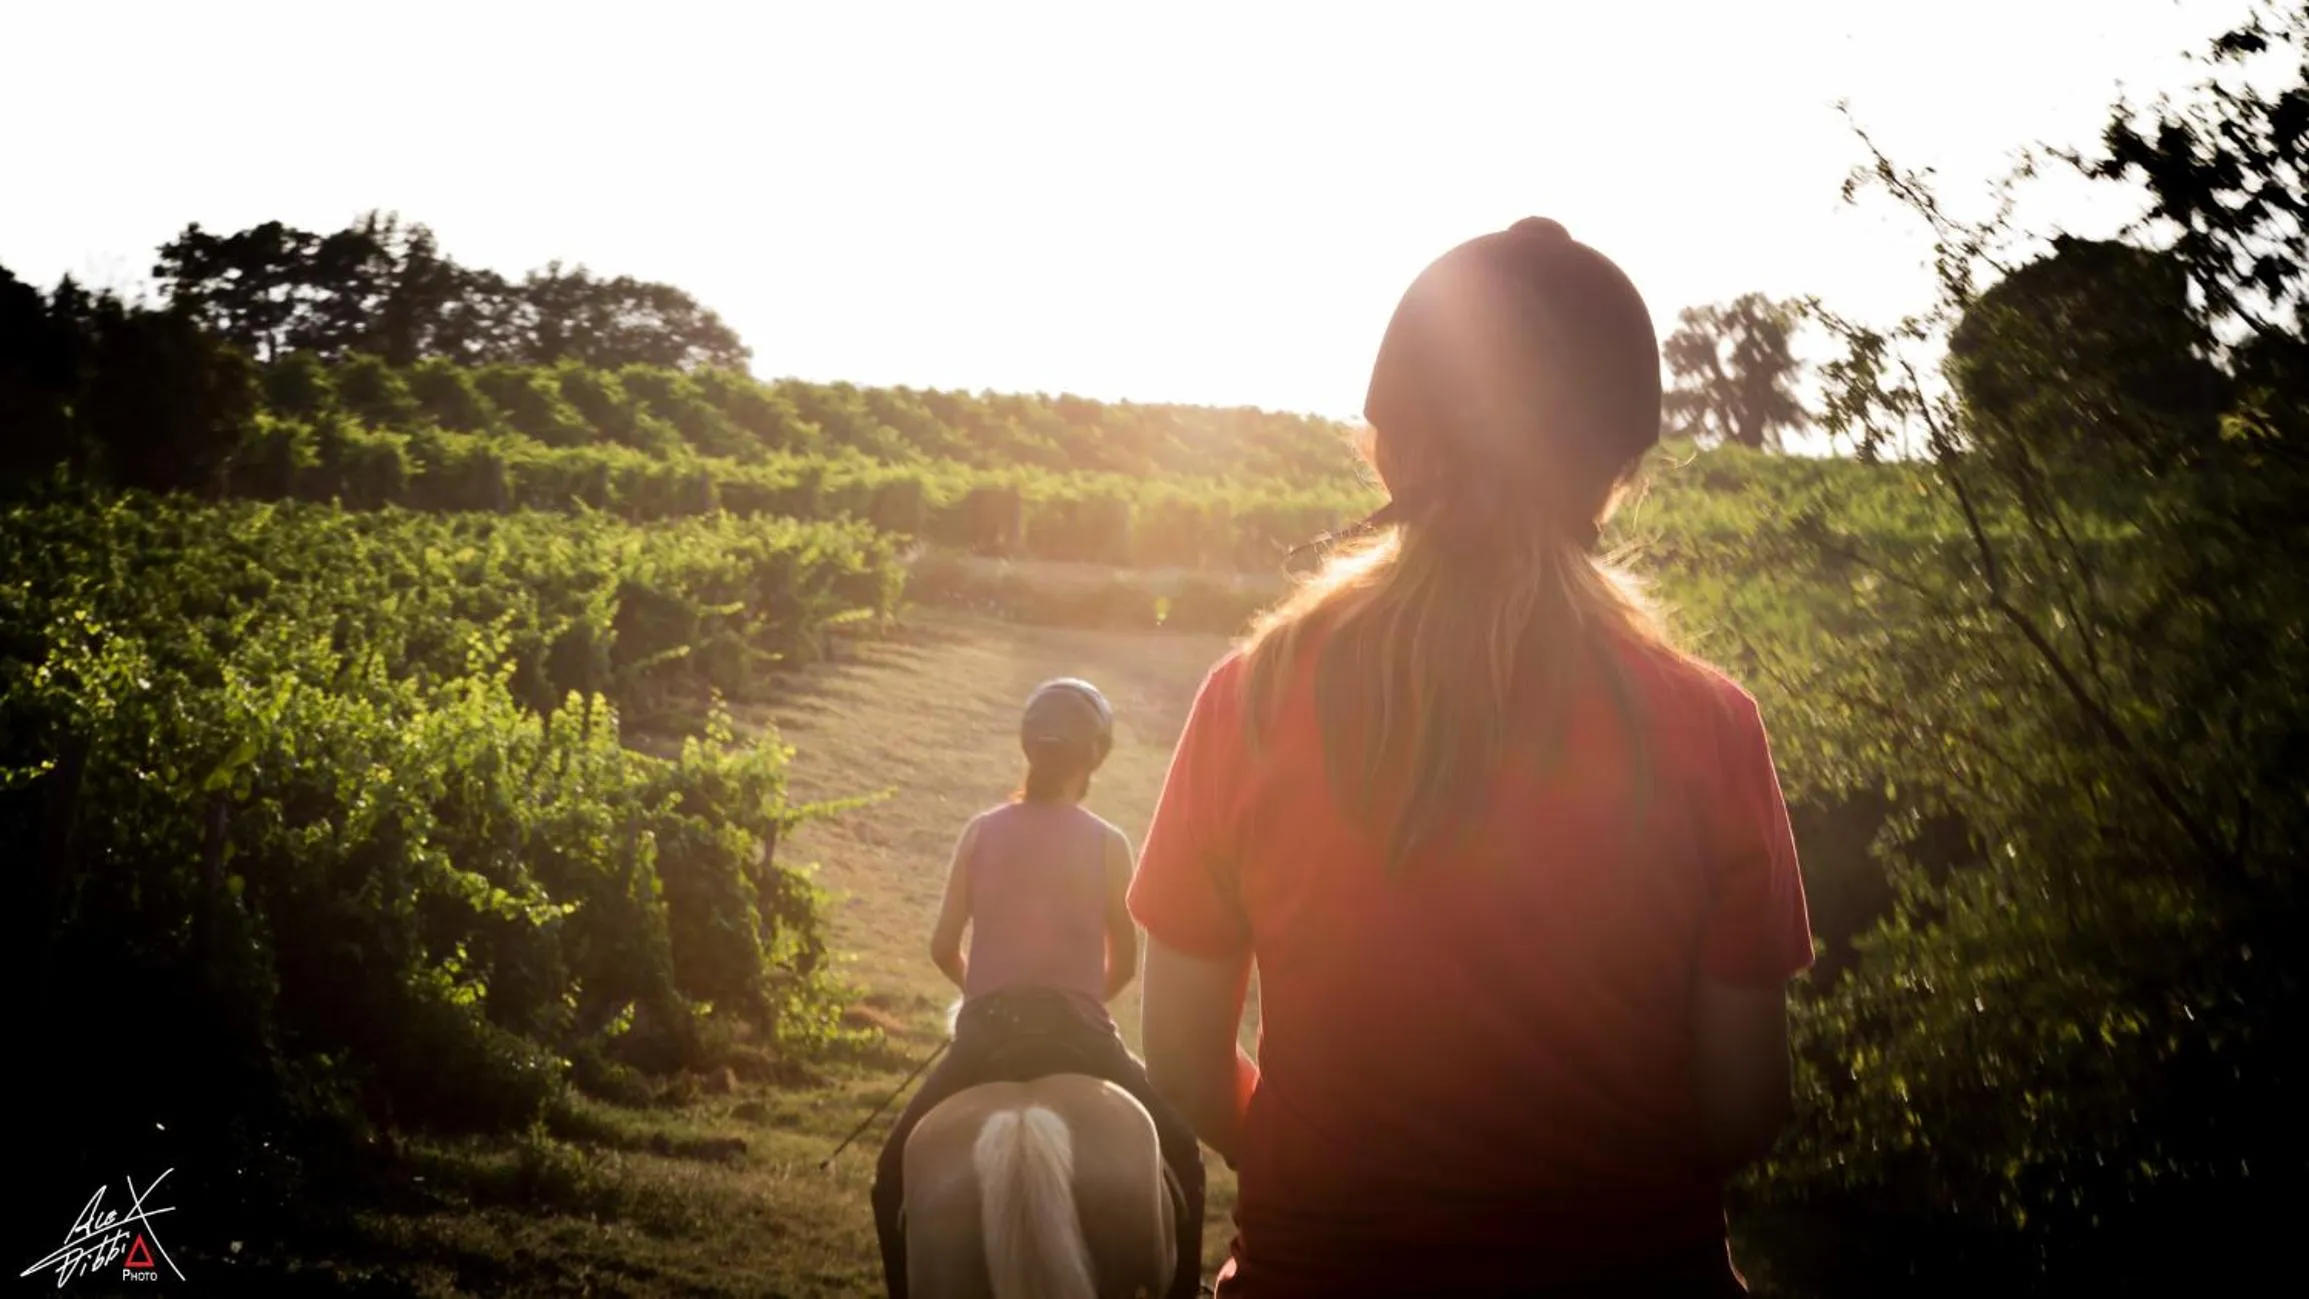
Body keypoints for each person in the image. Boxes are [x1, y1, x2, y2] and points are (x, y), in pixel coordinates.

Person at [1129, 218, 1816, 1297]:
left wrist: (1336, 1178)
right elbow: (1744, 1102)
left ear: (1384, 444)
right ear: (1618, 472)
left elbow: (1176, 1050)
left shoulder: (1247, 704)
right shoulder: (1711, 727)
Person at [871, 677, 1208, 1299]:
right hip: (1080, 1036)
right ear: (1096, 757)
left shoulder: (980, 831)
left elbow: (942, 947)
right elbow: (1126, 965)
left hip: (985, 1033)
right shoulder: (1109, 843)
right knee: (1183, 1153)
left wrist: (991, 992)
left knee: (890, 1177)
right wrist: (1074, 1000)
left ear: (1028, 748)